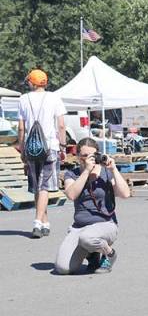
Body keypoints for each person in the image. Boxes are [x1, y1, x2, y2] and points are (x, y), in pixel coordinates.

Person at [56, 138, 130, 274]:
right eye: (84, 156)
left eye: (92, 155)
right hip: (79, 227)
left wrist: (114, 169)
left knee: (88, 238)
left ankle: (109, 254)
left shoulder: (106, 172)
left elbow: (125, 194)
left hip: (105, 224)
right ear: (78, 156)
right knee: (63, 268)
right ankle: (92, 254)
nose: (89, 159)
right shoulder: (72, 174)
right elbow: (71, 195)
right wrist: (86, 171)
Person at [17, 69, 66, 238]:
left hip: (31, 148)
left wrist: (22, 149)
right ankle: (38, 222)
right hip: (50, 146)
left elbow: (21, 128)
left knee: (38, 185)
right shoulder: (54, 98)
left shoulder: (23, 99)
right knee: (44, 185)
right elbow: (61, 125)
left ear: (32, 83)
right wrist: (63, 146)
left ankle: (44, 223)